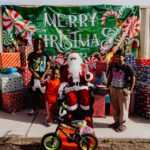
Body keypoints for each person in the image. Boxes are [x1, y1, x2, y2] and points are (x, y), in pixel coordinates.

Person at [58, 52, 94, 120]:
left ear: (78, 59)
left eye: (75, 58)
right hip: (71, 87)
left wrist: (88, 74)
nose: (73, 60)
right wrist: (62, 86)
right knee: (71, 99)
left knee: (85, 98)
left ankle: (85, 115)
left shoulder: (83, 67)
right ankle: (73, 115)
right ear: (69, 59)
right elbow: (63, 79)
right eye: (71, 58)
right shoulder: (66, 68)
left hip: (82, 86)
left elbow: (90, 78)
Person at [107, 49, 135, 132]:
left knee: (123, 108)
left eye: (119, 57)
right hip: (113, 89)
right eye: (116, 57)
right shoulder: (112, 65)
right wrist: (108, 86)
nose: (117, 58)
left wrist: (130, 90)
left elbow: (133, 78)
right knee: (115, 108)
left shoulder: (127, 67)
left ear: (124, 57)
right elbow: (110, 75)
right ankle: (116, 122)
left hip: (123, 90)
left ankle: (122, 124)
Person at [28, 38, 50, 115]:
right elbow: (29, 66)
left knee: (45, 93)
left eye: (40, 43)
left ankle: (46, 109)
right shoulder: (31, 55)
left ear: (42, 44)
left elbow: (48, 66)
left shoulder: (45, 54)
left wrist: (43, 76)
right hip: (35, 77)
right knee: (34, 93)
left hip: (43, 77)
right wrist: (34, 73)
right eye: (37, 43)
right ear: (35, 44)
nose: (38, 45)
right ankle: (33, 108)